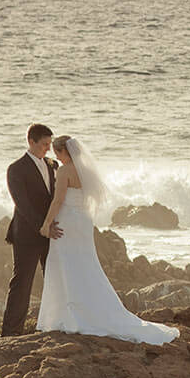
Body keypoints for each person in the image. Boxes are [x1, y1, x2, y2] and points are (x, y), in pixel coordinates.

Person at [35, 135, 179, 344]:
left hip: (66, 221)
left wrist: (46, 224)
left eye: (56, 152)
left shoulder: (65, 170)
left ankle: (65, 316)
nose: (55, 156)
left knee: (64, 264)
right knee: (85, 264)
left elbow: (58, 200)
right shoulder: (85, 171)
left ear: (63, 152)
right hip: (82, 222)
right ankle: (86, 311)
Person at [1, 123, 60, 336]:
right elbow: (22, 204)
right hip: (26, 233)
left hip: (51, 233)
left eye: (50, 144)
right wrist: (41, 227)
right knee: (22, 282)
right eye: (44, 144)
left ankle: (53, 325)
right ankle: (10, 333)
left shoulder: (53, 165)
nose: (48, 148)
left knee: (54, 279)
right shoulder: (16, 169)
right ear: (31, 142)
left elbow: (57, 198)